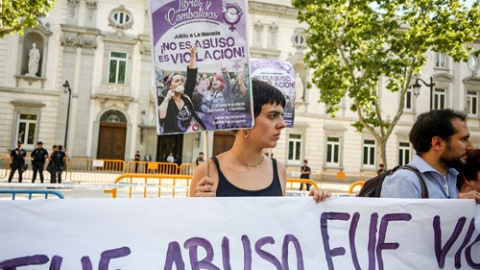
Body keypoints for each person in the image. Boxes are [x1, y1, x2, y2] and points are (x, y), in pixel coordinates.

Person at [190, 79, 330, 202]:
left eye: (281, 116)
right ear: (246, 121)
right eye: (273, 116)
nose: (282, 124)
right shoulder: (208, 171)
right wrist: (200, 206)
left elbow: (280, 224)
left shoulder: (279, 170)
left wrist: (313, 205)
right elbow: (192, 228)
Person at [381, 109, 474, 199]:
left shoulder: (450, 176)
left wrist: (461, 206)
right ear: (437, 143)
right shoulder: (404, 181)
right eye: (463, 139)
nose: (471, 147)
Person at [158, 45, 206, 134]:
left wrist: (193, 55)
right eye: (177, 81)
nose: (180, 82)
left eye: (181, 80)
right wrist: (167, 99)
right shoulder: (163, 99)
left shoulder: (186, 96)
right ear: (170, 86)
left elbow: (191, 75)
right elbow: (161, 118)